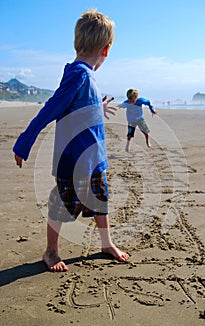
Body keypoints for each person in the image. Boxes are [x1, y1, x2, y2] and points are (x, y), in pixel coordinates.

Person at [13, 9, 129, 272]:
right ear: (106, 50)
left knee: (100, 200)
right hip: (74, 159)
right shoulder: (78, 74)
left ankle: (106, 243)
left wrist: (97, 108)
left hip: (94, 159)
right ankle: (50, 251)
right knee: (62, 204)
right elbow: (52, 108)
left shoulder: (85, 75)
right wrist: (25, 140)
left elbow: (76, 107)